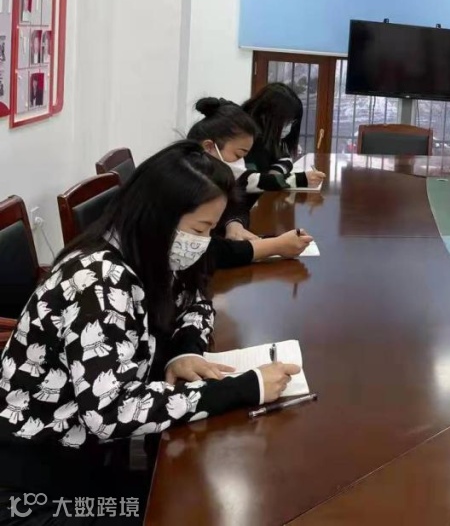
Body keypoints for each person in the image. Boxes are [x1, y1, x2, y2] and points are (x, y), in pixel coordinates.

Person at [0, 141, 299, 523]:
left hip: (90, 458)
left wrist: (186, 350)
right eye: (200, 229)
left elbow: (197, 301)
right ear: (159, 217)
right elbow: (111, 412)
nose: (203, 242)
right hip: (34, 484)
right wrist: (244, 388)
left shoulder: (150, 254)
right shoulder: (99, 281)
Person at [187, 97, 313, 268]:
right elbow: (202, 251)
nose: (241, 163)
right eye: (238, 155)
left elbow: (238, 204)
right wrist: (274, 246)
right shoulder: (183, 185)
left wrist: (234, 224)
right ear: (209, 147)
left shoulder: (215, 178)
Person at [241, 83, 325, 191]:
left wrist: (275, 176)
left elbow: (285, 158)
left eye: (292, 122)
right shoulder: (243, 135)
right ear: (264, 115)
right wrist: (298, 179)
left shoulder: (268, 134)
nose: (288, 128)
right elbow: (248, 181)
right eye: (284, 122)